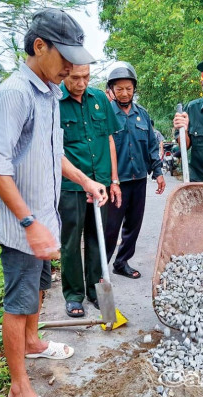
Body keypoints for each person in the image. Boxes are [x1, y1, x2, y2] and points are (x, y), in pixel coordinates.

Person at [0, 8, 106, 397]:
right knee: (18, 301)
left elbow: (53, 155)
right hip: (23, 228)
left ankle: (34, 343)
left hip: (42, 222)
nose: (71, 66)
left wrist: (85, 181)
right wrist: (29, 223)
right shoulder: (14, 93)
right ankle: (20, 392)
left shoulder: (49, 93)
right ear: (39, 46)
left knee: (37, 289)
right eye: (64, 55)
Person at [59, 64, 121, 317]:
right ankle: (74, 295)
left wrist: (114, 180)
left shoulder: (99, 99)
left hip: (101, 183)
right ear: (64, 74)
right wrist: (81, 180)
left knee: (98, 239)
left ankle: (96, 291)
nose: (82, 83)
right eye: (75, 78)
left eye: (86, 77)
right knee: (71, 241)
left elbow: (108, 139)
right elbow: (54, 149)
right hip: (71, 185)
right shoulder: (54, 101)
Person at [105, 62, 165, 279]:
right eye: (119, 88)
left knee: (133, 225)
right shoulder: (105, 113)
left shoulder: (143, 115)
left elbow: (151, 145)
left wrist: (157, 172)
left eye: (128, 88)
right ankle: (101, 269)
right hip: (115, 182)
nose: (124, 93)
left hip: (138, 178)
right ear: (111, 89)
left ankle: (122, 262)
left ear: (134, 89)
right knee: (110, 228)